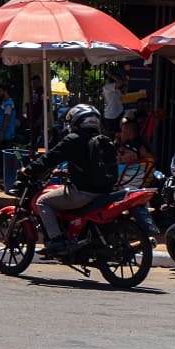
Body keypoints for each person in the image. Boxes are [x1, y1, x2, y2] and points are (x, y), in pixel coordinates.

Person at [20, 104, 117, 255]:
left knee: (42, 201)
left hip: (82, 193)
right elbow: (90, 165)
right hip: (104, 192)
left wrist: (29, 170)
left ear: (76, 121)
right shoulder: (102, 139)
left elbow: (50, 158)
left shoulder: (73, 139)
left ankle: (57, 240)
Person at [0, 84, 17, 158]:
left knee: (4, 156)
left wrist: (1, 133)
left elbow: (7, 118)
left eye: (0, 91)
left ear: (5, 91)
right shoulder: (4, 103)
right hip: (2, 134)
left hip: (6, 136)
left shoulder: (8, 104)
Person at [27, 75, 44, 148]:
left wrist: (40, 118)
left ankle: (39, 153)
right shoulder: (34, 92)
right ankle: (33, 152)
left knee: (39, 139)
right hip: (33, 119)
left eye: (35, 83)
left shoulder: (42, 92)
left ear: (39, 82)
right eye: (32, 83)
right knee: (33, 138)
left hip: (38, 120)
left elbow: (45, 107)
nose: (33, 85)